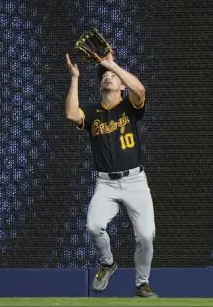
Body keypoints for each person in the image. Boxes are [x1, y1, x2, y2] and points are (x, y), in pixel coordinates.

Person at [65, 51, 157, 298]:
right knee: (94, 227)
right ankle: (108, 263)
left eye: (112, 77)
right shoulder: (94, 113)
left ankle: (142, 283)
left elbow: (139, 89)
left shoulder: (129, 105)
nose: (108, 78)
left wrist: (112, 65)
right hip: (106, 183)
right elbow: (72, 115)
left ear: (120, 84)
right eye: (104, 76)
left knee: (146, 236)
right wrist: (75, 78)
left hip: (135, 181)